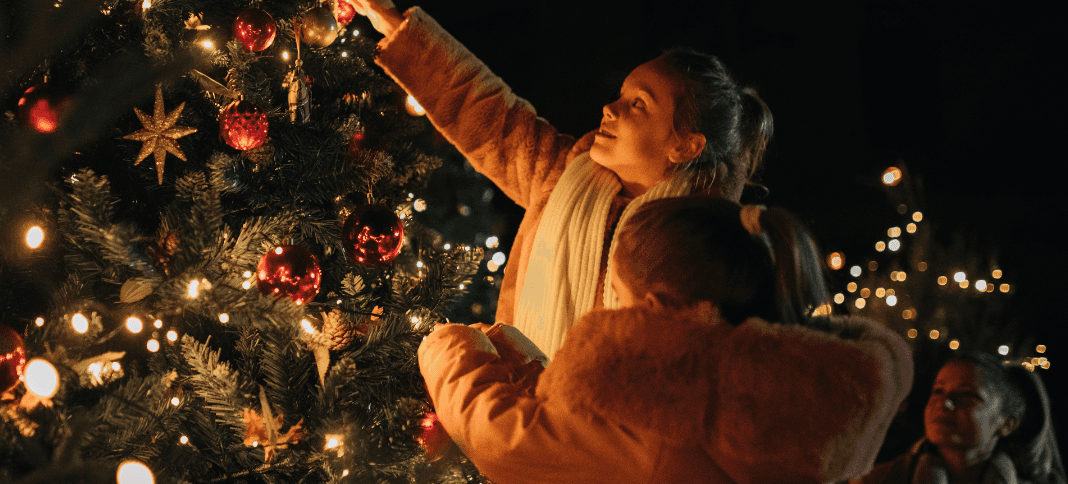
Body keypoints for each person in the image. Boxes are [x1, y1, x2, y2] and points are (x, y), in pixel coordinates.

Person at [342, 0, 773, 356]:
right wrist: (396, 24)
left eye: (637, 105)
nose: (609, 108)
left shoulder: (711, 253)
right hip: (531, 417)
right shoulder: (561, 175)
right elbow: (488, 112)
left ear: (684, 145)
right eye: (621, 95)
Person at [417, 196, 914, 484]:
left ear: (658, 308)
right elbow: (586, 433)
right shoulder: (814, 390)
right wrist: (521, 359)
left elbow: (502, 438)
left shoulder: (665, 416)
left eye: (619, 294)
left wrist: (451, 345)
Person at [856, 352, 1065, 484]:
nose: (945, 403)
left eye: (968, 395)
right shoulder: (879, 479)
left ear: (1007, 424)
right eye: (938, 391)